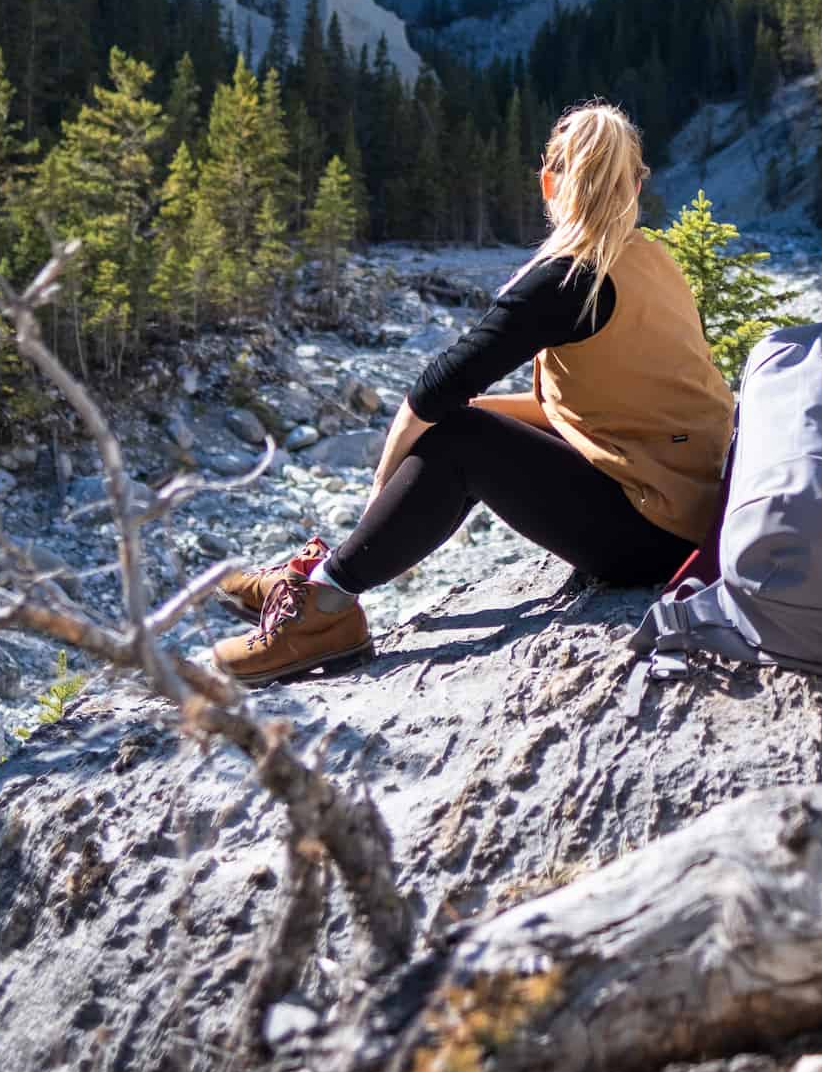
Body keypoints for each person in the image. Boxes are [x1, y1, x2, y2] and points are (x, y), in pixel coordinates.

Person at [211, 101, 735, 686]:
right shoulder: (651, 259)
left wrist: (383, 487)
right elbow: (601, 408)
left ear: (548, 182)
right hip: (692, 511)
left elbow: (434, 389)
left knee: (458, 438)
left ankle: (325, 606)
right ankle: (316, 583)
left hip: (654, 537)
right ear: (637, 186)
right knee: (469, 425)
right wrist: (473, 419)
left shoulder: (567, 279)